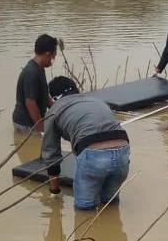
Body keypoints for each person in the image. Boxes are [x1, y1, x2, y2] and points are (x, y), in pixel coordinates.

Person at [42, 76, 130, 211]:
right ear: (77, 90)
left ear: (53, 97)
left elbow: (51, 154)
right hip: (123, 150)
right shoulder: (96, 101)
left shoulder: (54, 111)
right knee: (110, 205)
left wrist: (55, 191)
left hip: (93, 153)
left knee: (84, 211)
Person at [12, 34, 58, 133]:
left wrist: (57, 111)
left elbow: (45, 96)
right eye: (52, 57)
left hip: (34, 121)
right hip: (25, 124)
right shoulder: (31, 73)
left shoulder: (40, 69)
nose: (52, 61)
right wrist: (41, 127)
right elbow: (30, 103)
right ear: (47, 54)